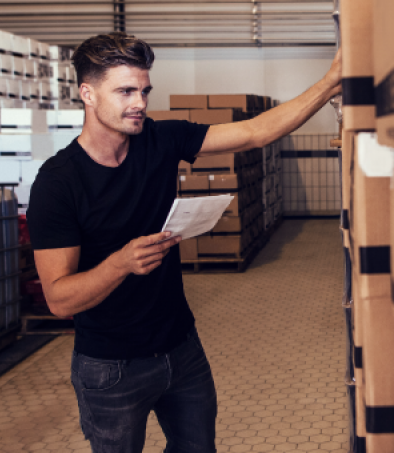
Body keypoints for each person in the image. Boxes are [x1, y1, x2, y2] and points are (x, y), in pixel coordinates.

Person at [26, 32, 342, 453]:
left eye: (144, 90)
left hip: (181, 348)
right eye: (125, 91)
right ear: (87, 93)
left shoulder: (159, 139)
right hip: (110, 366)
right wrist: (120, 263)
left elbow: (254, 133)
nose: (139, 102)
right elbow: (59, 298)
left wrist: (330, 84)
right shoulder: (58, 182)